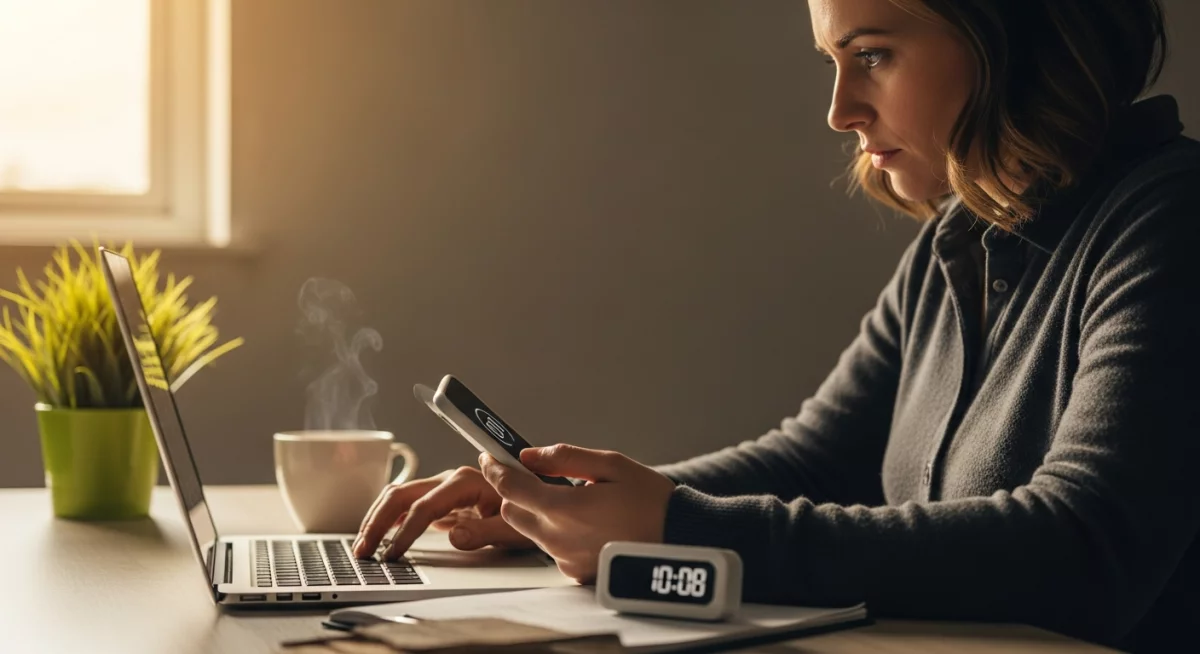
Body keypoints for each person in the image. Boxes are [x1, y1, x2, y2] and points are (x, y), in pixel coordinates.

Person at [355, 0, 1199, 651]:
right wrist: (567, 510)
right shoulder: (960, 239)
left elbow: (1085, 550)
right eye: (834, 61)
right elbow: (817, 459)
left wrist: (675, 529)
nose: (840, 109)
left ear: (1015, 38)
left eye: (873, 54)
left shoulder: (1173, 218)